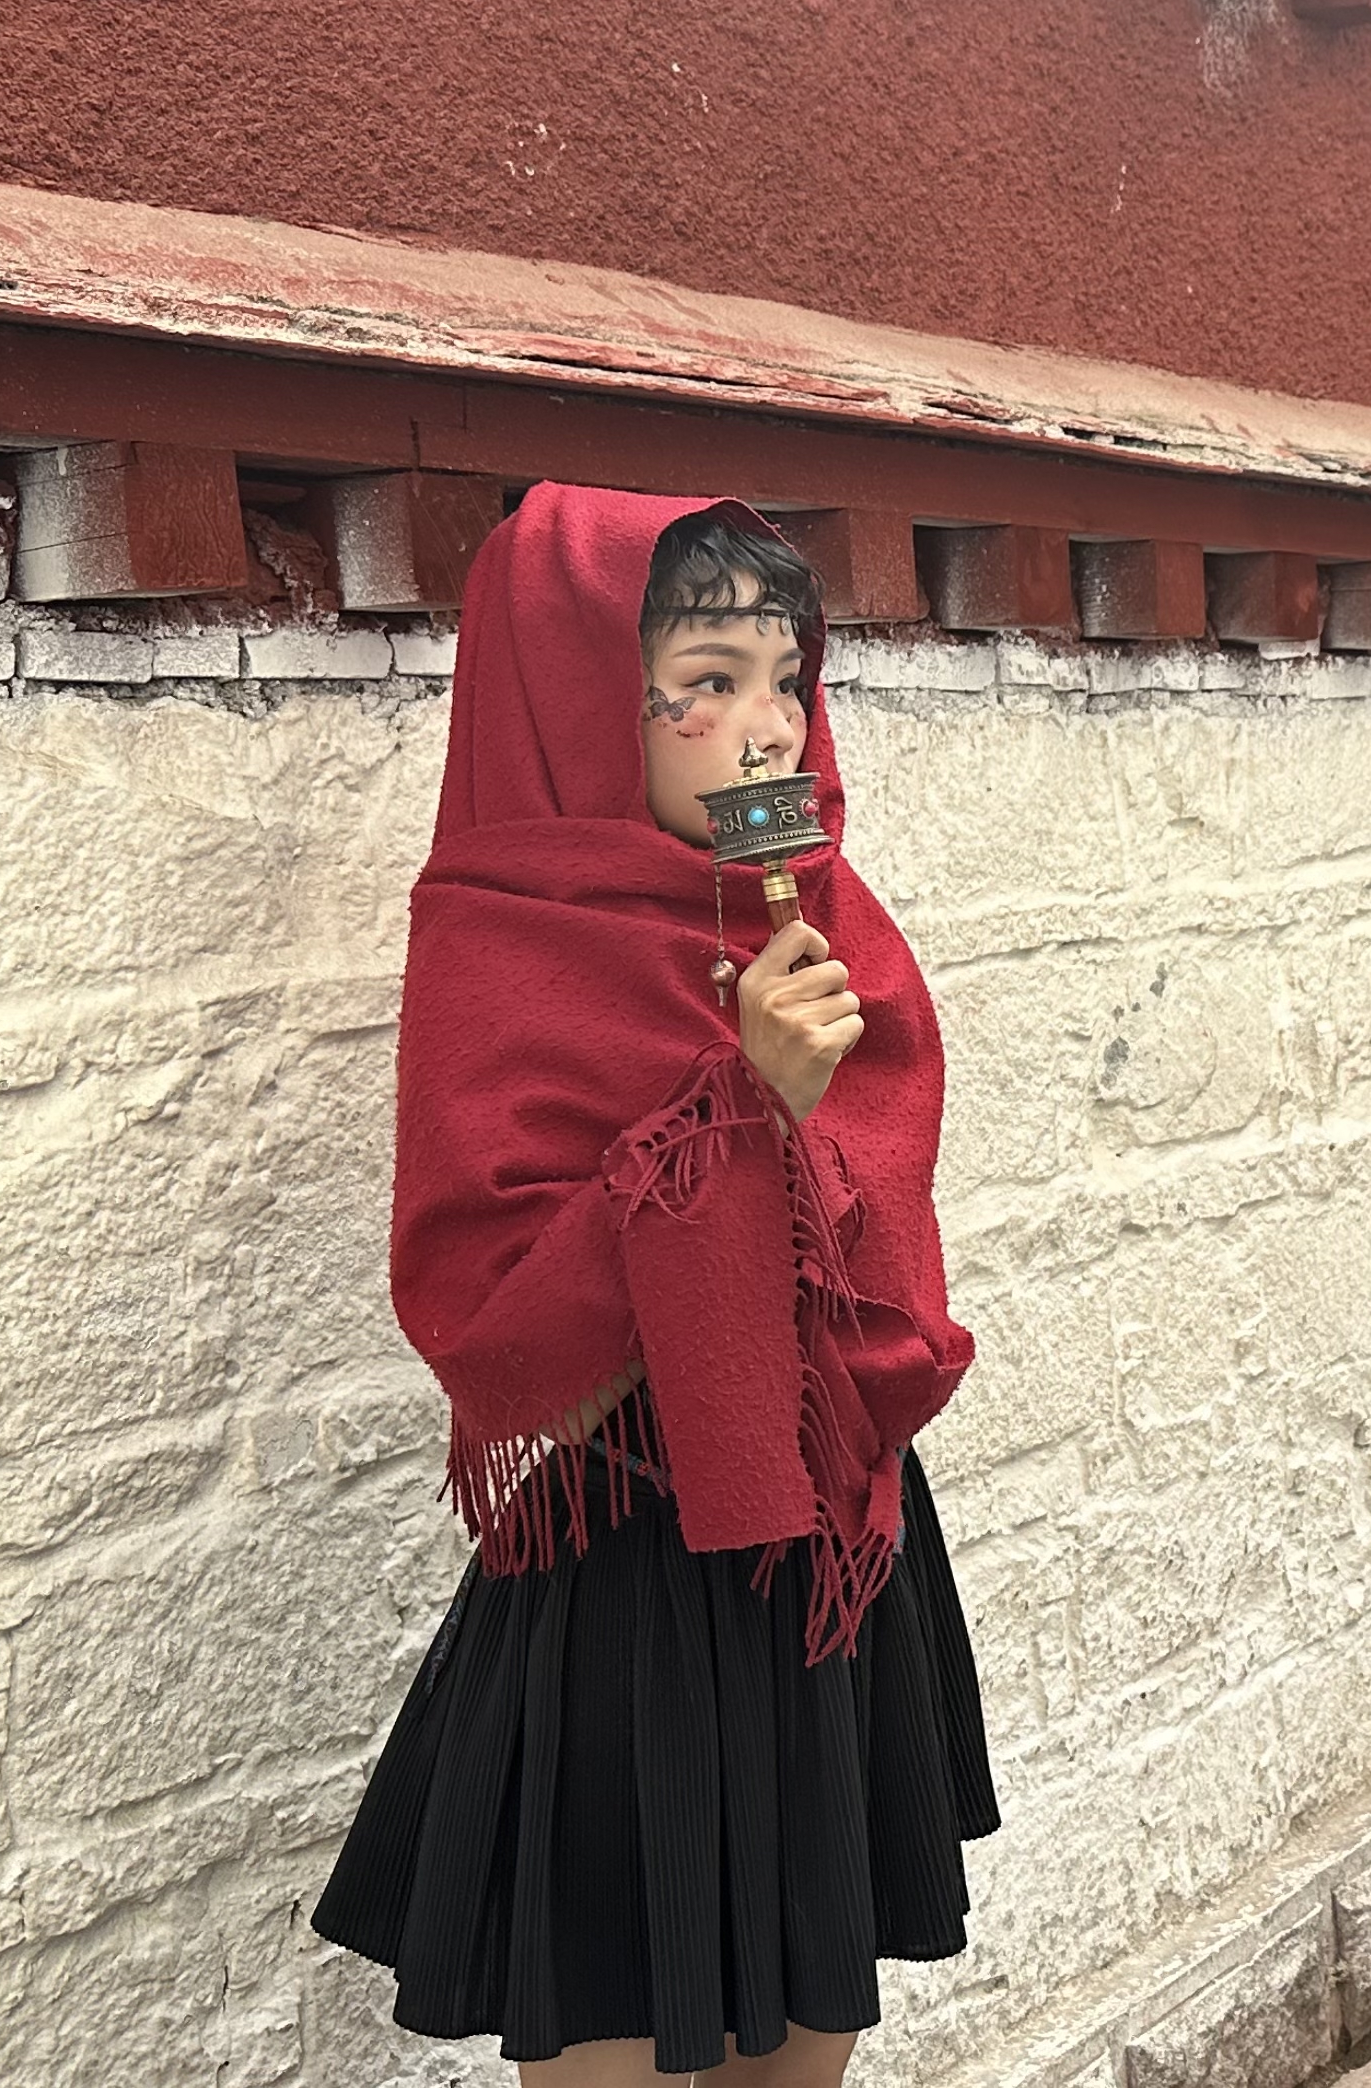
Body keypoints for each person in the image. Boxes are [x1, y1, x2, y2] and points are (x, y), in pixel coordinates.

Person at [315, 486, 997, 2084]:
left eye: (787, 679)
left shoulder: (823, 924)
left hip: (835, 1543)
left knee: (808, 2039)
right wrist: (738, 1110)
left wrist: (796, 1114)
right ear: (577, 702)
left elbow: (871, 1249)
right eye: (705, 681)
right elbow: (513, 1343)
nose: (767, 730)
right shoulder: (509, 938)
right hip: (629, 1556)